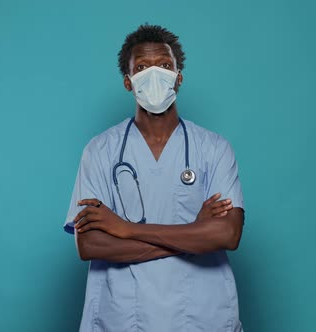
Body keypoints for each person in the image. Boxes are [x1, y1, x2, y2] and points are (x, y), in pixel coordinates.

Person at [64, 24, 245, 331]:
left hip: (201, 314)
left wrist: (125, 229)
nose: (154, 74)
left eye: (164, 65)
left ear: (179, 77)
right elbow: (91, 245)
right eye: (142, 67)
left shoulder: (214, 149)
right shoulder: (101, 151)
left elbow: (227, 235)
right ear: (128, 82)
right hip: (123, 316)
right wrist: (194, 233)